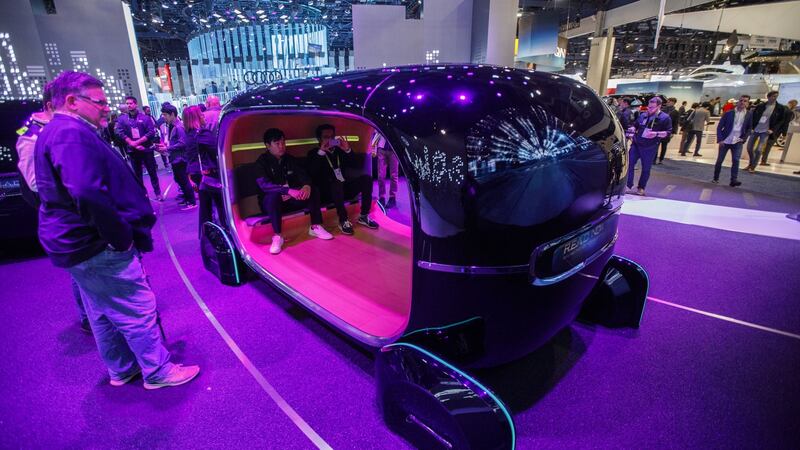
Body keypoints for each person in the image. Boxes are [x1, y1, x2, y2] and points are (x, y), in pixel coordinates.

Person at [35, 71, 199, 389]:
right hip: (97, 244)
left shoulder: (54, 130)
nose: (106, 109)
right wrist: (119, 238)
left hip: (76, 244)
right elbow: (86, 191)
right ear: (72, 101)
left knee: (101, 311)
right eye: (99, 102)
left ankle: (122, 369)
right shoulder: (70, 132)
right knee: (135, 306)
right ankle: (158, 371)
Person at [16, 81, 91, 334]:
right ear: (52, 105)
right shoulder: (30, 138)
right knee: (80, 269)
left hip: (76, 211)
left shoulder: (55, 131)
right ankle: (87, 318)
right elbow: (37, 184)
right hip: (65, 214)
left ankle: (93, 315)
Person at [256, 128, 333, 254]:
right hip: (272, 203)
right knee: (273, 196)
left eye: (283, 143)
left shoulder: (289, 159)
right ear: (268, 145)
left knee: (313, 190)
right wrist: (286, 191)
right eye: (277, 143)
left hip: (290, 200)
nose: (282, 146)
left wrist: (306, 185)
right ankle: (277, 236)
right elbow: (264, 185)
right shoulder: (261, 162)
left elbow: (303, 175)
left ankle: (315, 226)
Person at [307, 124, 379, 235]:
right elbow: (312, 173)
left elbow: (356, 165)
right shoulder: (313, 153)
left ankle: (364, 216)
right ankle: (343, 220)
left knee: (366, 178)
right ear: (319, 139)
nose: (330, 139)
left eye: (332, 137)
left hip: (344, 188)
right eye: (326, 137)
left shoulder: (339, 151)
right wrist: (321, 152)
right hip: (326, 192)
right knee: (336, 183)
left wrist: (347, 150)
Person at [115, 96, 163, 201]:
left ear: (136, 104)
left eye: (131, 103)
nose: (128, 105)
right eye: (127, 103)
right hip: (133, 151)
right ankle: (143, 195)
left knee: (152, 172)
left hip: (146, 150)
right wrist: (132, 143)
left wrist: (138, 142)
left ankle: (158, 193)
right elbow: (119, 132)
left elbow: (151, 132)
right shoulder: (122, 119)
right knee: (137, 175)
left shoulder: (145, 118)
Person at [626, 97, 672, 196]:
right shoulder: (643, 115)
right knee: (629, 164)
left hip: (649, 147)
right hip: (636, 144)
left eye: (652, 108)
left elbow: (668, 133)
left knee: (646, 168)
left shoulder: (665, 118)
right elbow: (636, 125)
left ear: (659, 106)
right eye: (648, 107)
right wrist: (633, 129)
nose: (649, 109)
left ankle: (641, 187)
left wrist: (656, 134)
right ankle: (628, 185)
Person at [155, 103, 196, 210]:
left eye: (165, 115)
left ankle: (191, 202)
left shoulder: (179, 127)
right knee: (180, 180)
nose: (163, 117)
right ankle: (188, 200)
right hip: (176, 158)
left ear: (172, 114)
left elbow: (183, 143)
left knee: (184, 180)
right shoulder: (174, 126)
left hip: (180, 159)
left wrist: (167, 148)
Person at [713, 95, 752, 187]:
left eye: (745, 101)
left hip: (738, 141)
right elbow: (719, 127)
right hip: (725, 141)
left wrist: (744, 138)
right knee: (719, 160)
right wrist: (720, 139)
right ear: (738, 102)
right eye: (741, 100)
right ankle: (715, 178)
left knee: (736, 160)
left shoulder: (749, 114)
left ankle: (733, 180)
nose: (742, 102)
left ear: (747, 103)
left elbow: (749, 127)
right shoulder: (728, 113)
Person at [745, 91, 786, 172]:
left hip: (766, 131)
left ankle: (753, 167)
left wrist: (773, 129)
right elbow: (754, 117)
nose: (775, 98)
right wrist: (752, 127)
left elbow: (781, 121)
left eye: (776, 96)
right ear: (768, 97)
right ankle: (751, 163)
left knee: (759, 149)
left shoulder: (780, 108)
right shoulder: (761, 106)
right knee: (749, 148)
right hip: (756, 129)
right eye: (773, 96)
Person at [760, 99, 797, 166]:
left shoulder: (779, 108)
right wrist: (784, 134)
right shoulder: (789, 112)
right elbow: (786, 124)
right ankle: (763, 161)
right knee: (768, 145)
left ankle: (758, 159)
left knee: (762, 144)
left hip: (768, 128)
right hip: (776, 131)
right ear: (794, 105)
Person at [370, 130, 399, 208]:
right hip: (381, 148)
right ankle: (381, 197)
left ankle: (392, 197)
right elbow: (375, 130)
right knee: (381, 175)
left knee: (394, 175)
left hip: (393, 150)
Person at [655, 97, 680, 165]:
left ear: (674, 103)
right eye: (668, 101)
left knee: (664, 146)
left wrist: (673, 132)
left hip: (667, 131)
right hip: (659, 130)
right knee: (656, 145)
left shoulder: (675, 112)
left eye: (670, 102)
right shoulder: (662, 110)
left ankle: (661, 159)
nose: (668, 103)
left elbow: (676, 123)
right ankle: (654, 159)